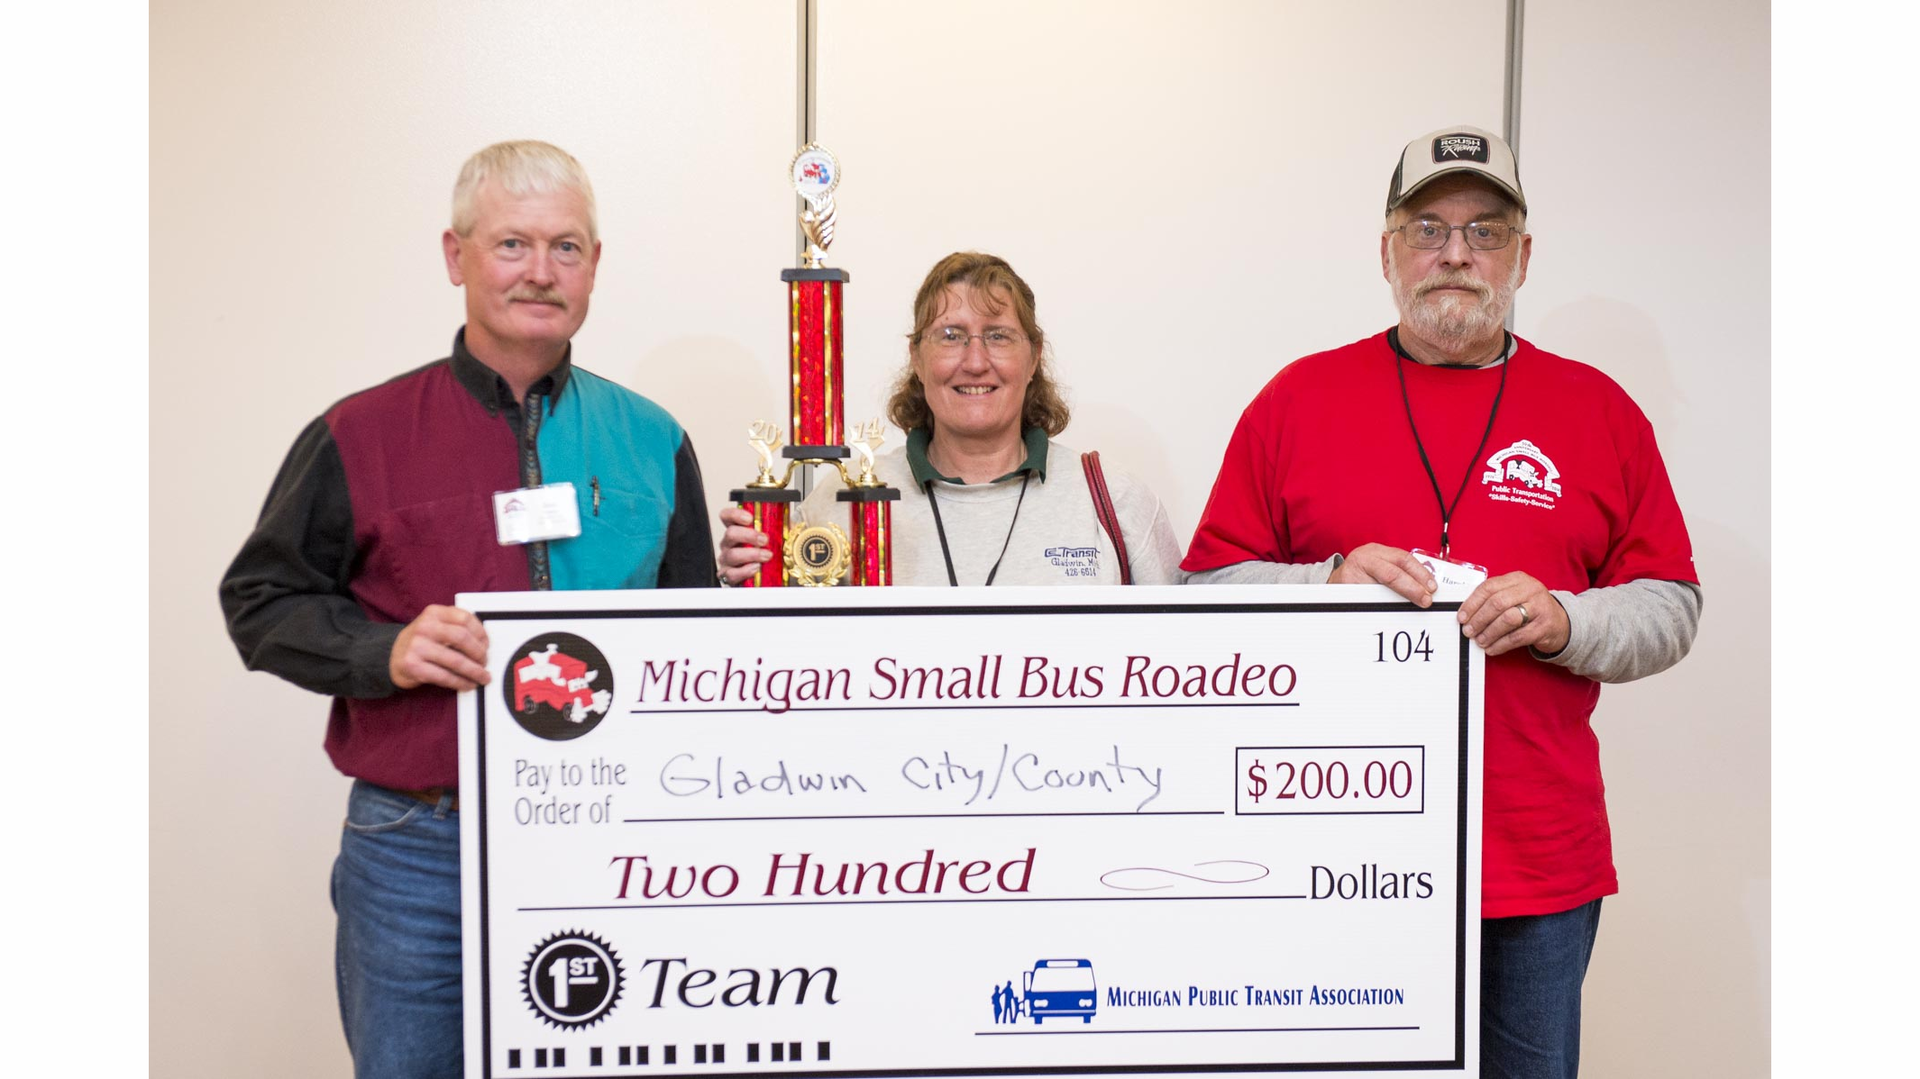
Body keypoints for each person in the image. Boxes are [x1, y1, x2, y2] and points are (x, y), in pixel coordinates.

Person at [1182, 126, 1700, 1079]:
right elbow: (1206, 591)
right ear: (1386, 252)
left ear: (1524, 255)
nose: (1455, 252)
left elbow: (1671, 604)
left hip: (1535, 861)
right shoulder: (1295, 400)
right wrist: (1324, 584)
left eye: (1486, 230)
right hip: (1326, 855)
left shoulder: (1599, 409)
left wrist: (1568, 621)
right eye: (1427, 227)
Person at [219, 140, 715, 1078]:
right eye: (512, 244)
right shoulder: (359, 434)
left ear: (596, 266)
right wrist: (383, 650)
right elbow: (261, 599)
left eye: (567, 247)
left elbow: (691, 637)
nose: (541, 271)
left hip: (616, 840)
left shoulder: (655, 439)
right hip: (419, 852)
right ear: (456, 256)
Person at [718, 251, 1182, 586]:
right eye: (951, 336)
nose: (976, 362)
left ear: (1034, 356)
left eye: (998, 336)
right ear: (917, 357)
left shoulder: (1115, 503)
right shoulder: (842, 504)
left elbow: (1181, 666)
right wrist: (749, 580)